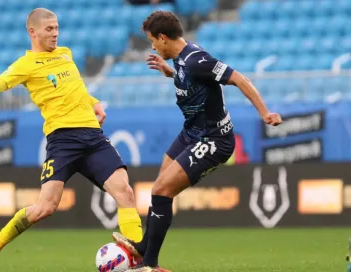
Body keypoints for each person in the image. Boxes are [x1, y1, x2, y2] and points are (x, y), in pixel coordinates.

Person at [0, 8, 144, 272]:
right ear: (33, 32)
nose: (55, 33)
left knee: (126, 192)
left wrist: (95, 103)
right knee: (45, 207)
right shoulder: (25, 66)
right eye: (49, 29)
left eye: (56, 28)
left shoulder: (65, 54)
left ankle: (140, 263)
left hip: (93, 136)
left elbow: (75, 90)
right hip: (63, 140)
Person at [112, 11, 283, 272]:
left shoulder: (196, 60)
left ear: (162, 37)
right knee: (160, 186)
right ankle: (146, 247)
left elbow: (239, 79)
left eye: (152, 41)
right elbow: (190, 80)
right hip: (191, 132)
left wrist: (264, 112)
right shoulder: (181, 59)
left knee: (160, 190)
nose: (153, 46)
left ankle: (150, 264)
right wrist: (169, 72)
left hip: (214, 139)